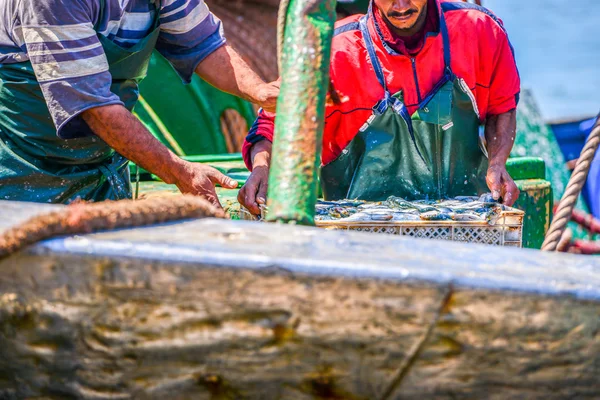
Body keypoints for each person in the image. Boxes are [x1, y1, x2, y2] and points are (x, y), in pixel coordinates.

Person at [239, 0, 521, 215]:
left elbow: (502, 106)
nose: (400, 5)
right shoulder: (333, 51)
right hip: (358, 235)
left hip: (463, 221)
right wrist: (262, 168)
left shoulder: (481, 31)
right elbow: (273, 124)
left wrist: (497, 164)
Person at [0, 0, 278, 208]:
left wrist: (260, 91)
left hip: (102, 168)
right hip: (24, 172)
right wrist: (180, 171)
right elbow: (94, 108)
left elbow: (205, 43)